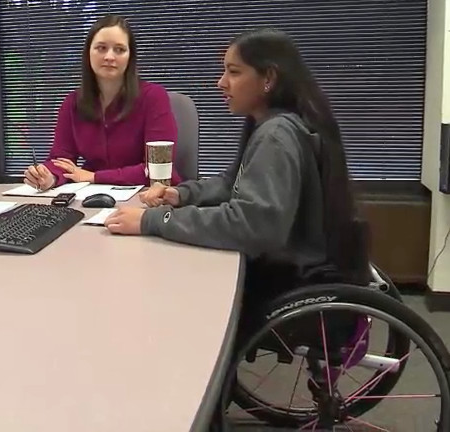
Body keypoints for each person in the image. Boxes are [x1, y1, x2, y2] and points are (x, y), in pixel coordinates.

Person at [105, 27, 371, 308]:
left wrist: (154, 221)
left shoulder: (276, 136)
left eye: (233, 72)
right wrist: (182, 195)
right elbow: (232, 183)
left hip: (287, 278)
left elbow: (251, 225)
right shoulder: (274, 124)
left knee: (165, 282)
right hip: (297, 265)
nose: (221, 83)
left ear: (268, 78)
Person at [23, 14, 181, 191]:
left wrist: (94, 176)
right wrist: (48, 176)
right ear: (88, 53)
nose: (109, 56)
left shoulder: (153, 97)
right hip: (92, 195)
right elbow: (61, 159)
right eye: (101, 48)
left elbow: (157, 168)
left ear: (130, 57)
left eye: (119, 50)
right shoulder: (73, 103)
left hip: (149, 197)